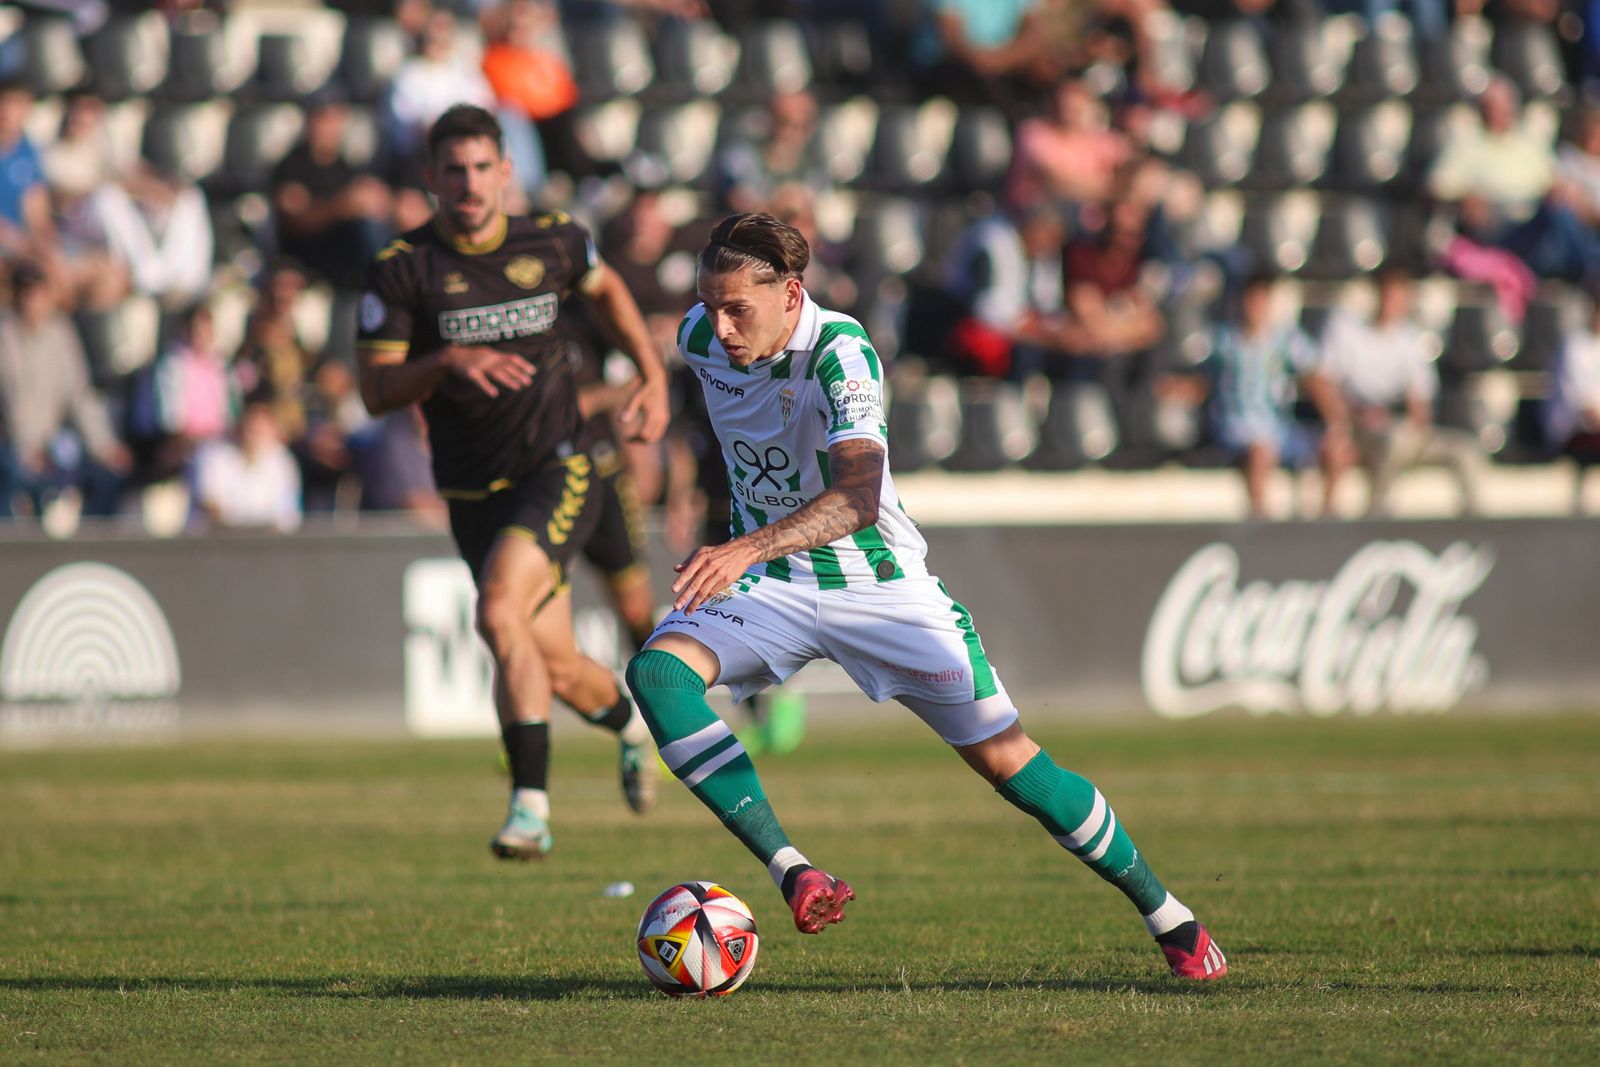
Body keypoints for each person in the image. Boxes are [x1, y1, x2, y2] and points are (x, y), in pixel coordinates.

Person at [623, 212, 1227, 979]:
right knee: (659, 674)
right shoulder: (701, 338)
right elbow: (664, 350)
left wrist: (744, 544)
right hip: (772, 586)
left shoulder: (843, 353)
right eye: (710, 304)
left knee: (1012, 764)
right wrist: (648, 389)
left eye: (738, 307)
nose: (720, 324)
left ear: (791, 295)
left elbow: (858, 499)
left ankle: (1169, 916)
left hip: (879, 585)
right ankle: (793, 869)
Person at [355, 105, 671, 860]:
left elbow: (608, 293)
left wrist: (652, 374)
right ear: (431, 179)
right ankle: (632, 727)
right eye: (452, 170)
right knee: (553, 662)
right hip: (471, 491)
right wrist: (445, 364)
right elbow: (375, 390)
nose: (468, 183)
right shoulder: (403, 268)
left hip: (556, 464)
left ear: (507, 172)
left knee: (497, 611)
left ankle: (529, 807)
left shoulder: (555, 239)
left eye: (481, 167)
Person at [1318, 270, 1485, 517]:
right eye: (1388, 293)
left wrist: (1410, 425)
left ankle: (1474, 524)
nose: (1392, 301)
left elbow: (1420, 404)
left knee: (1466, 451)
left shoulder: (1411, 340)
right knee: (1389, 440)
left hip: (1403, 432)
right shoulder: (1348, 332)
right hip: (1362, 430)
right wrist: (1352, 418)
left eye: (1399, 294)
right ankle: (1377, 512)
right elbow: (1324, 382)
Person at [1205, 272, 1351, 518]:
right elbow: (1201, 379)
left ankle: (1327, 516)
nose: (1256, 306)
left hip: (1279, 428)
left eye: (1262, 299)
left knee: (1336, 449)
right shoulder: (1223, 341)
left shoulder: (1285, 339)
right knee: (1260, 452)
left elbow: (1316, 377)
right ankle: (1261, 520)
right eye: (1252, 298)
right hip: (1237, 430)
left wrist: (1337, 422)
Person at [0, 259, 130, 521]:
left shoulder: (60, 334)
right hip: (10, 446)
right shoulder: (5, 335)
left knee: (98, 477)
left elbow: (79, 395)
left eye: (37, 291)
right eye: (25, 291)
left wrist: (104, 445)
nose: (32, 299)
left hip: (50, 443)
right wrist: (25, 449)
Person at [193, 395, 302, 533]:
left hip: (265, 544)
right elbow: (211, 505)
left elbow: (287, 514)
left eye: (261, 428)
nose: (255, 432)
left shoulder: (283, 462)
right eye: (251, 425)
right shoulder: (213, 455)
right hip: (217, 542)